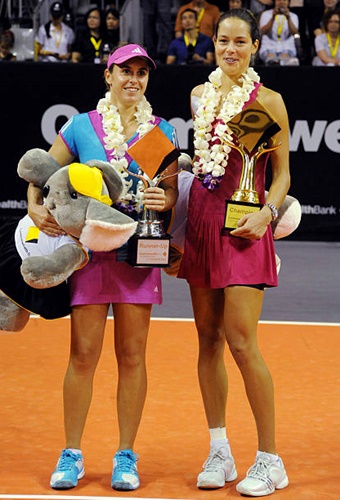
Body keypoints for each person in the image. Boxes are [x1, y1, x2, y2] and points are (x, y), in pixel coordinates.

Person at [26, 43, 179, 491]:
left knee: (132, 356)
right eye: (125, 71)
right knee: (83, 354)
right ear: (107, 75)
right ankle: (71, 452)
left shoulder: (159, 131)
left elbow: (169, 195)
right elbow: (43, 175)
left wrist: (163, 199)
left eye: (141, 73)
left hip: (137, 255)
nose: (134, 79)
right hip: (89, 255)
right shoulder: (81, 126)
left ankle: (125, 455)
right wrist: (35, 208)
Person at [177, 8, 291, 497]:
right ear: (214, 43)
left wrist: (267, 214)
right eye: (223, 41)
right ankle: (219, 450)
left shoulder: (270, 101)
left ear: (254, 46)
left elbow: (283, 174)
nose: (231, 49)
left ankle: (271, 460)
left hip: (246, 227)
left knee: (242, 342)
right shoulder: (199, 96)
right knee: (207, 341)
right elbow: (201, 166)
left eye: (240, 42)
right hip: (203, 225)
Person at [258, 0, 300, 65]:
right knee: (271, 59)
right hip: (269, 46)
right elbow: (264, 31)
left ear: (288, 2)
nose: (281, 2)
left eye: (284, 0)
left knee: (285, 60)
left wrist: (288, 18)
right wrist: (273, 17)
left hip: (287, 47)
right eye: (279, 0)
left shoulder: (293, 16)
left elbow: (294, 32)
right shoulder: (266, 14)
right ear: (275, 2)